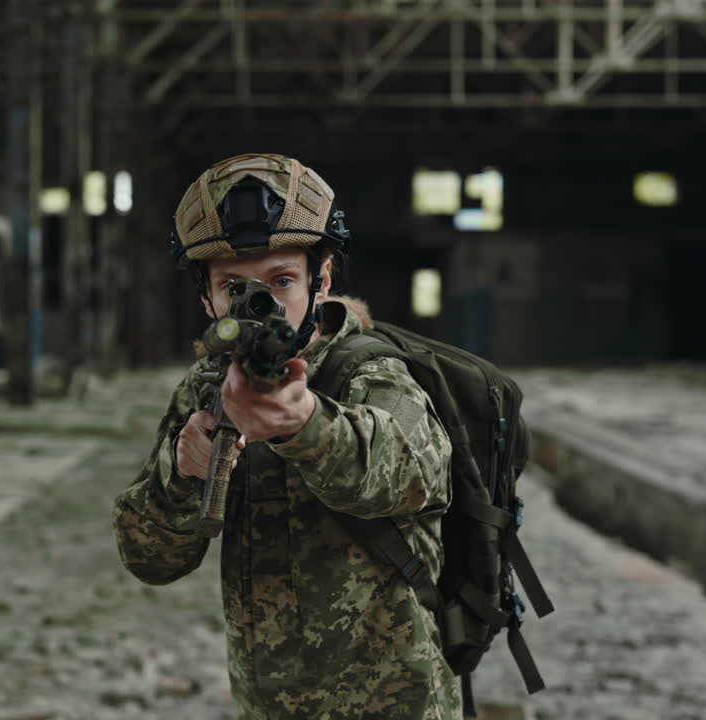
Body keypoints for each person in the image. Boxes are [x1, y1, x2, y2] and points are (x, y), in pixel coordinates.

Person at [113, 153, 459, 719]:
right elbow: (149, 559)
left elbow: (398, 472)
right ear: (207, 298)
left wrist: (304, 425)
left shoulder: (371, 374)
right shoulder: (206, 389)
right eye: (234, 287)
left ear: (321, 280)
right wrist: (183, 472)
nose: (261, 304)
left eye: (281, 280)